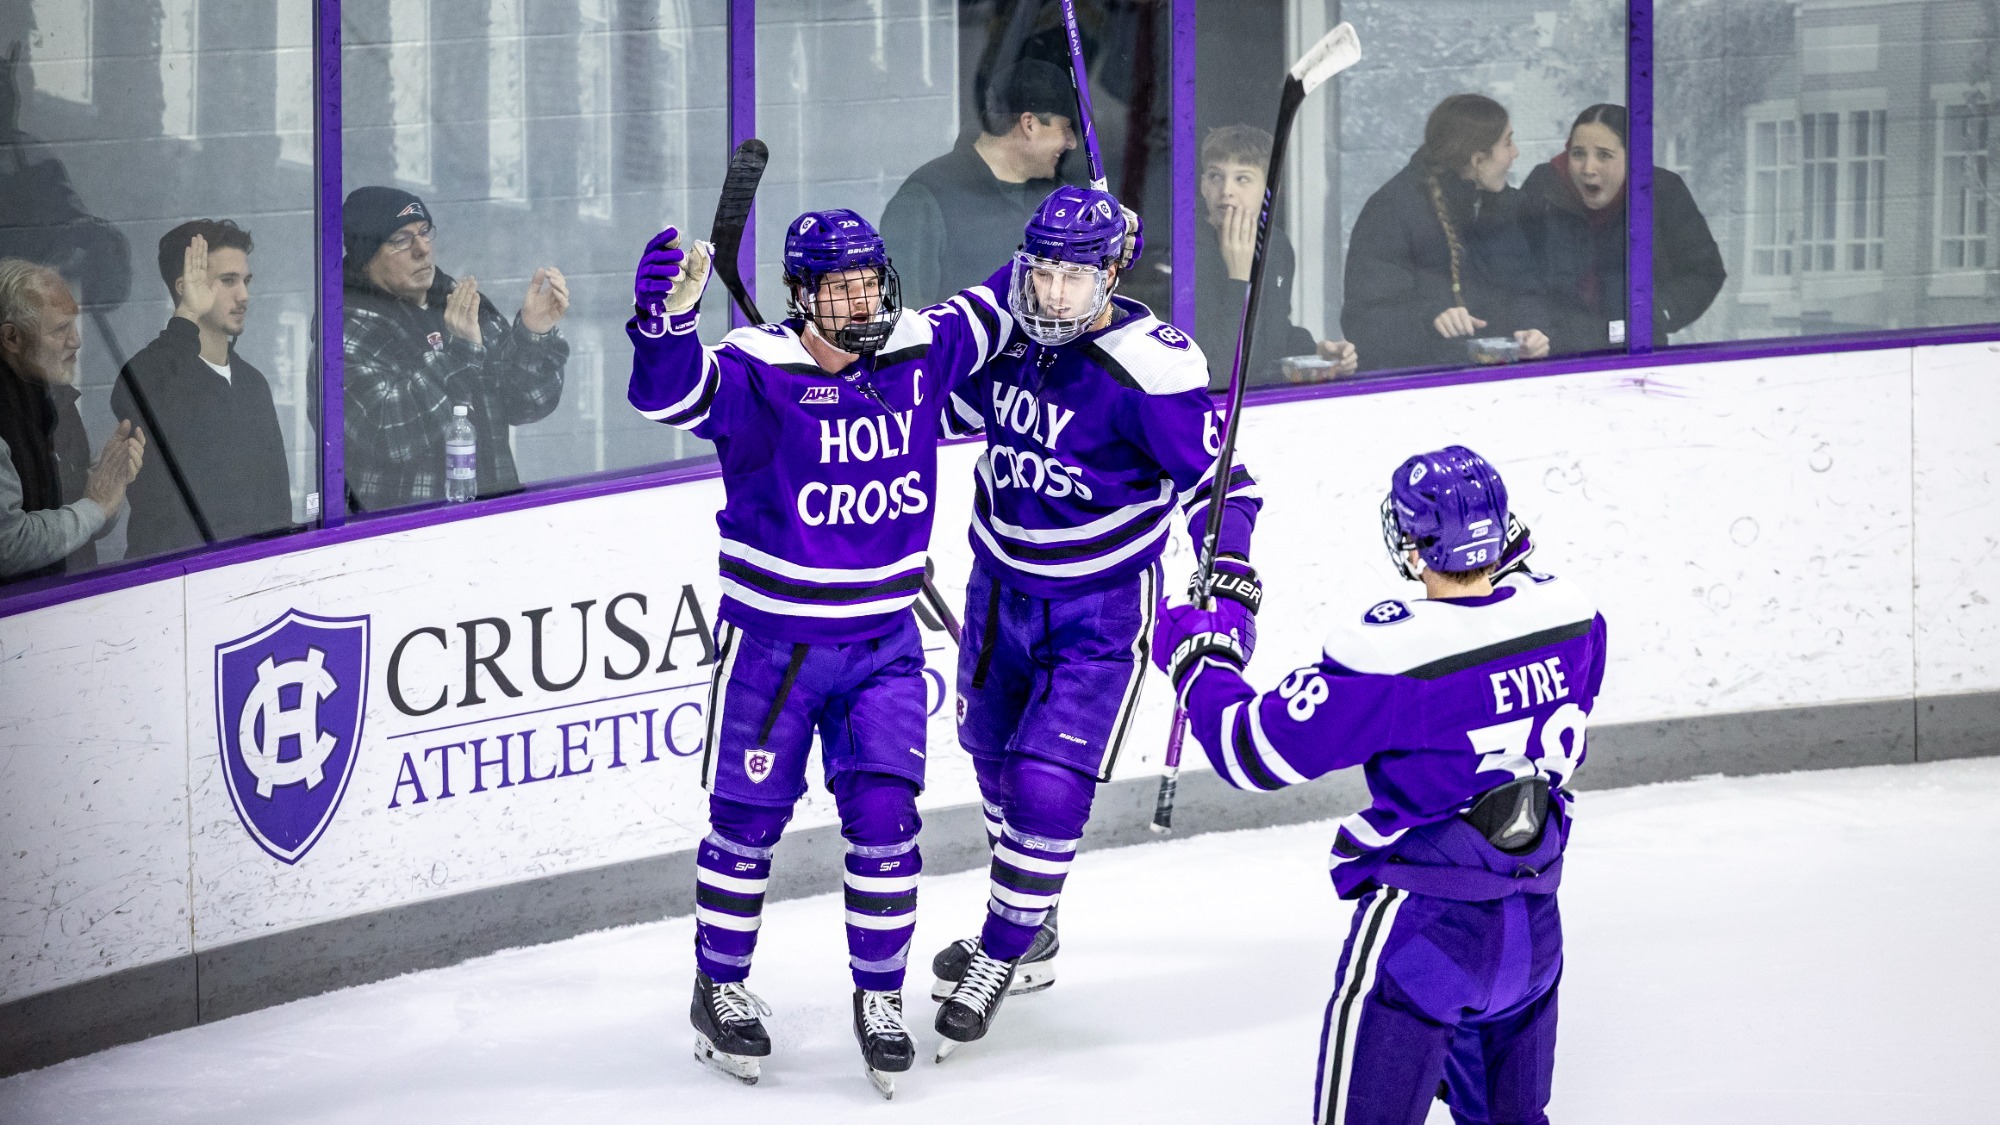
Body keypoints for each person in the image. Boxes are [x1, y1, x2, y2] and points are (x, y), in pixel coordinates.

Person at [627, 210, 1019, 1096]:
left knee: (887, 823)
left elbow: (1006, 299)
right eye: (839, 287)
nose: (862, 299)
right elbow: (667, 397)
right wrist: (664, 325)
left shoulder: (919, 348)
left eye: (870, 281)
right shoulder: (761, 368)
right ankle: (718, 987)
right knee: (745, 826)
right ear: (801, 295)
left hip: (882, 648)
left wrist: (1095, 236)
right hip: (777, 650)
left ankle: (879, 997)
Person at [1153, 445, 1607, 1125]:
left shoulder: (1395, 658)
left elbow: (1252, 750)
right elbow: (1505, 649)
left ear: (1414, 546)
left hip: (1429, 935)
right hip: (1536, 933)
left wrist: (1200, 657)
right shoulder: (1575, 622)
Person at [927, 185, 1263, 1056]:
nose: (1053, 293)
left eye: (1075, 276)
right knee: (992, 760)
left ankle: (1001, 949)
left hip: (1099, 607)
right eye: (1041, 271)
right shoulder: (1009, 335)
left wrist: (1225, 570)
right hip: (998, 590)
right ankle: (1029, 923)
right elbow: (926, 413)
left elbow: (1227, 483)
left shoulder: (1153, 367)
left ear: (1111, 272)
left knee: (1048, 781)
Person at [340, 186, 568, 512]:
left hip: (495, 517)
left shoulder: (461, 301)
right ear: (366, 256)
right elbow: (389, 434)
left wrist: (533, 333)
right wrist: (458, 354)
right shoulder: (348, 327)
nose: (422, 249)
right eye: (401, 240)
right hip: (405, 537)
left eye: (423, 233)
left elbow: (527, 404)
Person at [111, 221, 291, 558]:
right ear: (185, 288)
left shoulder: (253, 383)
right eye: (228, 281)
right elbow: (142, 397)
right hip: (170, 584)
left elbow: (276, 498)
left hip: (252, 580)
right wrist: (187, 315)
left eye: (245, 280)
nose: (244, 295)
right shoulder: (148, 372)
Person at [1342, 94, 1551, 374]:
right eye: (1507, 142)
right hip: (1422, 387)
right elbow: (1364, 322)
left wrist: (1533, 332)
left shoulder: (1500, 205)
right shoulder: (1391, 211)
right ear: (1477, 159)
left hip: (1502, 378)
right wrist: (1431, 322)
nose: (1514, 153)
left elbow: (1526, 291)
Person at [1521, 103, 1725, 353]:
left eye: (1604, 155)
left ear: (1632, 157)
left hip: (1636, 353)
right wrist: (1535, 330)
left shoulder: (1663, 191)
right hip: (1556, 355)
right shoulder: (1544, 188)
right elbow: (1518, 275)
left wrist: (1658, 311)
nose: (1588, 168)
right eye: (1578, 154)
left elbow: (1704, 271)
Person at [879, 59, 1078, 308]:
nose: (1072, 143)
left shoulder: (1060, 202)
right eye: (1065, 127)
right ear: (1029, 124)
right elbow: (906, 327)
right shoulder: (922, 202)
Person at [0, 259, 145, 579]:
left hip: (73, 602)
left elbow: (85, 526)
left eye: (74, 324)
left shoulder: (57, 402)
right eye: (59, 329)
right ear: (12, 338)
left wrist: (110, 485)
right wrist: (95, 505)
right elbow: (7, 545)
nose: (76, 340)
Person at [1196, 124, 1356, 388]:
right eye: (1215, 177)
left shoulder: (1276, 245)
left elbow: (1273, 334)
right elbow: (1219, 371)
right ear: (1203, 185)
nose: (1226, 190)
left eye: (1242, 179)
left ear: (1272, 188)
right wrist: (1239, 277)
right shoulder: (1187, 248)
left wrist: (1317, 353)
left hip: (1261, 399)